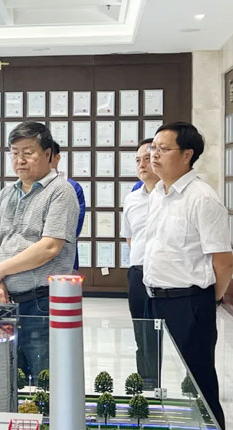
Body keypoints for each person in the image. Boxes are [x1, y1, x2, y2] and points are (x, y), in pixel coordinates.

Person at [144, 122, 231, 429]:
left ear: (187, 155)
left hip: (189, 301)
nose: (154, 155)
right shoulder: (158, 193)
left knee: (199, 380)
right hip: (155, 297)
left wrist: (209, 299)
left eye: (163, 149)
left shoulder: (201, 197)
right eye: (153, 148)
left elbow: (223, 261)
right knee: (158, 377)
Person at [0, 121, 79, 382]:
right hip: (5, 300)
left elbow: (49, 247)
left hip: (41, 302)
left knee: (43, 379)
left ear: (48, 154)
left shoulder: (61, 191)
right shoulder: (7, 193)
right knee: (8, 378)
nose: (20, 160)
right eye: (15, 153)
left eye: (28, 152)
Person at [120, 138, 159, 388]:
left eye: (147, 159)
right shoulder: (132, 199)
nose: (142, 165)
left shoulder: (171, 195)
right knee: (143, 334)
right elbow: (130, 237)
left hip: (169, 276)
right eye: (138, 160)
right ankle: (147, 385)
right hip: (138, 273)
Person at [51, 141, 85, 270]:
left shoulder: (72, 187)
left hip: (64, 261)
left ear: (57, 158)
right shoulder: (29, 187)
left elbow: (73, 229)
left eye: (47, 156)